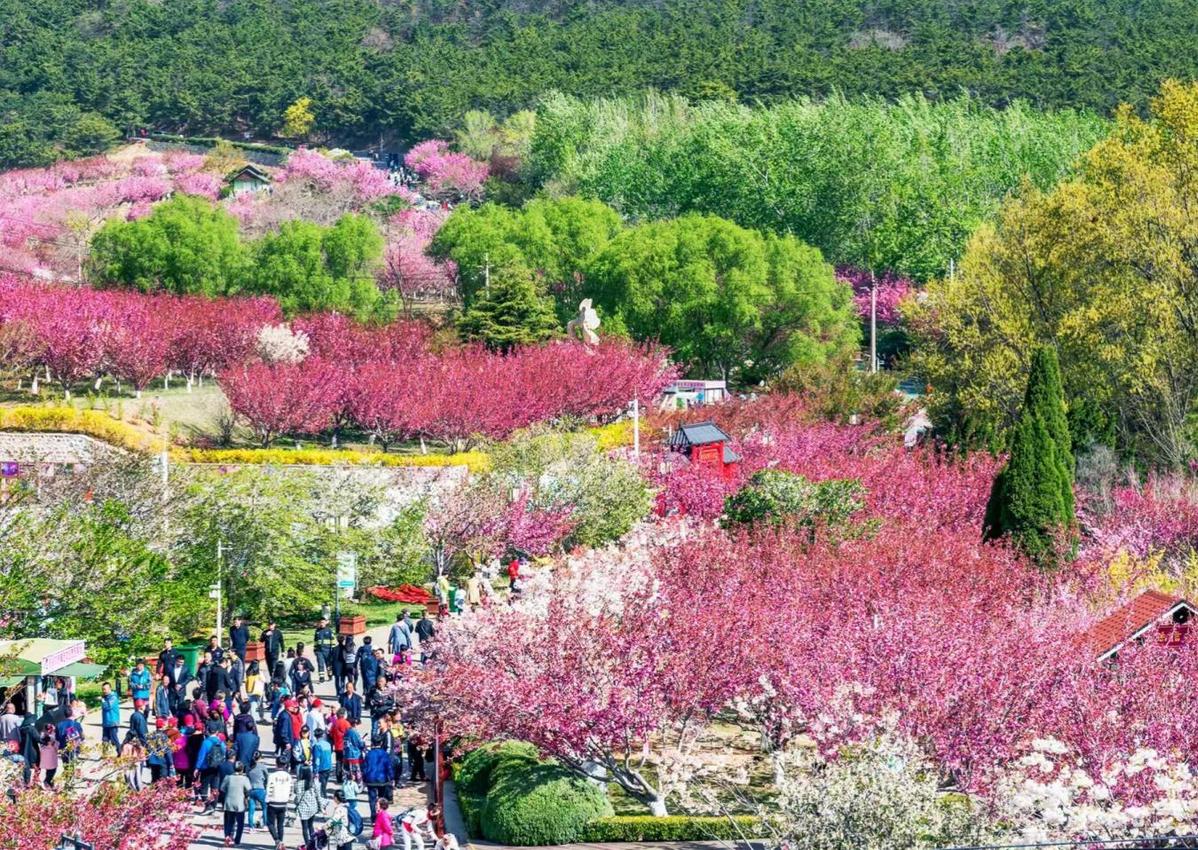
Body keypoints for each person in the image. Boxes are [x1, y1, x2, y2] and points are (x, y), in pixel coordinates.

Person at [265, 752, 294, 850]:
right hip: (283, 802)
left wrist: (267, 800)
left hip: (273, 802)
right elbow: (291, 790)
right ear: (285, 765)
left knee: (270, 823)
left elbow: (269, 789)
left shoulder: (272, 776)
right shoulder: (288, 776)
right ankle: (280, 842)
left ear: (276, 764)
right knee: (280, 825)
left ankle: (277, 840)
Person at [195, 727, 228, 813]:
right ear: (217, 732)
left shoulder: (205, 742)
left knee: (204, 787)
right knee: (215, 788)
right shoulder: (221, 743)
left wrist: (197, 768)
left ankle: (207, 805)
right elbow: (224, 754)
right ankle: (213, 806)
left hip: (206, 768)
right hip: (217, 768)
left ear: (208, 732)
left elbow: (201, 756)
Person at [362, 736, 394, 820]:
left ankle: (373, 818)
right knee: (381, 798)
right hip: (382, 779)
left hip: (371, 779)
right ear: (381, 743)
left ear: (372, 743)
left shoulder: (369, 754)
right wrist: (391, 778)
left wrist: (364, 779)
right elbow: (389, 767)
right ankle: (381, 816)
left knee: (372, 799)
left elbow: (365, 767)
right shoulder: (384, 754)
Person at [220, 761, 252, 846]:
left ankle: (227, 837)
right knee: (240, 823)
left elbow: (222, 789)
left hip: (229, 803)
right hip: (240, 804)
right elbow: (248, 790)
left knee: (230, 822)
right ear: (242, 769)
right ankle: (237, 841)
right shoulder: (244, 779)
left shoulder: (228, 777)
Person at [295, 767, 321, 847]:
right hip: (313, 807)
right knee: (311, 826)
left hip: (303, 808)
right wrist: (320, 807)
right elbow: (318, 796)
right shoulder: (313, 783)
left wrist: (296, 804)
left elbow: (298, 797)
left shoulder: (298, 783)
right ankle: (313, 843)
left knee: (304, 828)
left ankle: (307, 844)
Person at [146, 717, 172, 783]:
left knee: (154, 779)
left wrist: (147, 762)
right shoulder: (164, 736)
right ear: (162, 726)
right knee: (162, 780)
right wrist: (171, 762)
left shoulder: (150, 735)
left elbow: (147, 749)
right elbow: (167, 750)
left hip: (152, 761)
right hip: (162, 761)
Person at [246, 753, 268, 830]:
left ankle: (251, 827)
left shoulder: (249, 767)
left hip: (251, 789)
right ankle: (265, 825)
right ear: (260, 758)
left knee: (251, 809)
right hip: (260, 788)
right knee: (265, 807)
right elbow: (267, 777)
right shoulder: (262, 767)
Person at [18, 712, 39, 786]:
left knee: (25, 767)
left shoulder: (21, 729)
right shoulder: (31, 729)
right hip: (32, 750)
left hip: (23, 750)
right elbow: (38, 738)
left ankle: (26, 782)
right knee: (34, 766)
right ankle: (33, 783)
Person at [312, 727, 333, 798]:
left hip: (321, 769)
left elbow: (317, 760)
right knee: (324, 785)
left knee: (321, 787)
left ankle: (323, 801)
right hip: (328, 767)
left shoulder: (317, 746)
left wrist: (315, 771)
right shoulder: (328, 744)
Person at [314, 618, 335, 684]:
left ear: (326, 623)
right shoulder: (317, 631)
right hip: (319, 651)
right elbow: (315, 641)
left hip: (328, 650)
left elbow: (333, 640)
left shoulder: (329, 630)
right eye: (321, 622)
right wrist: (315, 649)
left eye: (323, 622)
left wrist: (333, 649)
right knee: (320, 664)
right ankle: (321, 678)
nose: (322, 624)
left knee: (328, 664)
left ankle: (330, 675)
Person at [38, 723, 58, 788]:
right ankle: (47, 781)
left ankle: (48, 782)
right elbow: (56, 746)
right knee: (52, 770)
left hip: (44, 754)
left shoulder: (42, 734)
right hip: (51, 754)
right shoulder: (52, 736)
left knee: (48, 769)